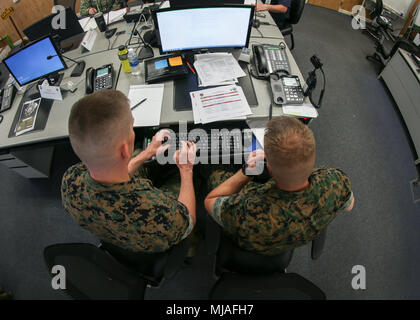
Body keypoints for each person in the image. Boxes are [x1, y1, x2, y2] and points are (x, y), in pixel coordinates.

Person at [61, 90, 197, 254]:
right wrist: (186, 170)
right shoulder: (155, 211)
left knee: (150, 161)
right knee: (179, 177)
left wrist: (145, 154)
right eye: (131, 128)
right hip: (154, 239)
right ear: (124, 149)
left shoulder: (69, 180)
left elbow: (109, 172)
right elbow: (187, 220)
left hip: (114, 234)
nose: (132, 131)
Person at [204, 116, 355, 256]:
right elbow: (349, 206)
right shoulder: (335, 181)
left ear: (268, 168)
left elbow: (210, 201)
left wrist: (246, 172)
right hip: (296, 236)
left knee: (215, 175)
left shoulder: (247, 211)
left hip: (253, 242)